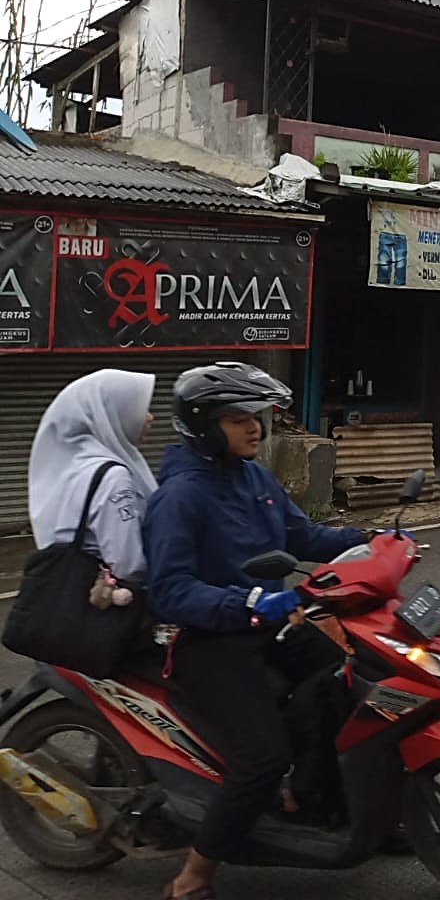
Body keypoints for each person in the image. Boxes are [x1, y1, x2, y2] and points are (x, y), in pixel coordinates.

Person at [145, 363, 374, 900]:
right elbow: (171, 591)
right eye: (237, 418)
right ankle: (192, 877)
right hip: (206, 640)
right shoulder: (180, 495)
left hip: (269, 621)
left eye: (257, 416)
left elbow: (302, 534)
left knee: (355, 679)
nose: (255, 428)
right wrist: (252, 602)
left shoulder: (253, 476)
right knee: (261, 757)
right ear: (202, 425)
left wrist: (372, 539)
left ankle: (318, 799)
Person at [28, 369, 158, 587]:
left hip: (67, 595)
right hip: (107, 607)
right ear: (111, 414)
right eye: (139, 408)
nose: (149, 417)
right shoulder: (113, 477)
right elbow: (129, 565)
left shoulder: (72, 465)